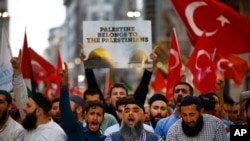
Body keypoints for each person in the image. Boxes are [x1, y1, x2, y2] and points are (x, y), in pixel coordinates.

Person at [80, 44, 158, 122]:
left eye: (121, 93)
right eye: (115, 94)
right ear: (109, 99)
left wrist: (149, 66)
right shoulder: (104, 110)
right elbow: (93, 86)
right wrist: (87, 64)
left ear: (127, 96)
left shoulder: (134, 108)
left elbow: (142, 89)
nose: (118, 96)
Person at [11, 54, 67, 141]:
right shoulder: (30, 123)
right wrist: (17, 69)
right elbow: (20, 95)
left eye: (28, 106)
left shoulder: (56, 134)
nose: (24, 108)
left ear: (39, 111)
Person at [59, 62, 106, 141]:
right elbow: (65, 110)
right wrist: (64, 86)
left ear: (103, 119)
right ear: (85, 116)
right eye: (91, 113)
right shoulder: (76, 129)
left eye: (98, 114)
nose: (95, 118)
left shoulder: (105, 139)